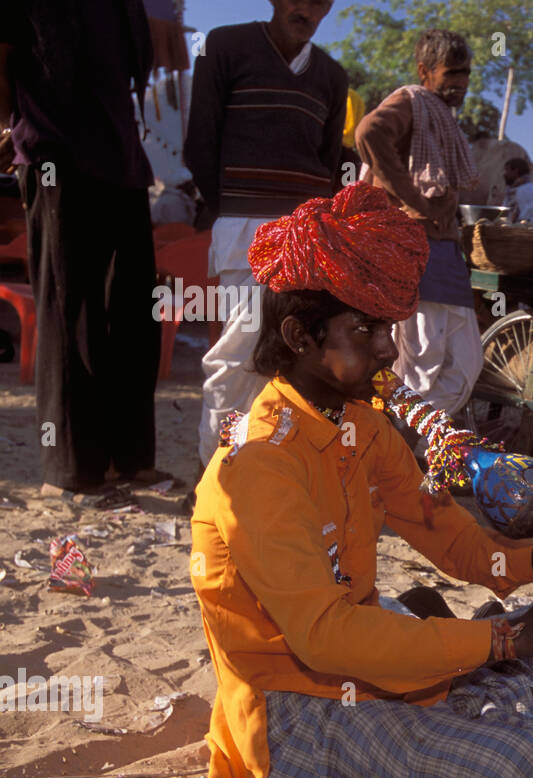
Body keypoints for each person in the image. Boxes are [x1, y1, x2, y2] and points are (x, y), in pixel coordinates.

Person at [190, 182, 533, 778]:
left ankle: (472, 697)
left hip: (362, 660)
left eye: (389, 328)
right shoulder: (258, 469)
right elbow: (328, 639)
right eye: (367, 331)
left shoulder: (360, 425)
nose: (391, 350)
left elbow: (452, 538)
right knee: (517, 763)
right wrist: (510, 636)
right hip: (295, 712)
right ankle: (481, 716)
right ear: (302, 337)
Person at [1, 0, 165, 497]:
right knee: (70, 307)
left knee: (134, 312)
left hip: (124, 162)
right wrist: (11, 129)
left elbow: (131, 73)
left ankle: (130, 459)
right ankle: (71, 472)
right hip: (53, 153)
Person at [185, 0, 348, 466]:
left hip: (305, 238)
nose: (308, 8)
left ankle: (263, 477)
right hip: (244, 231)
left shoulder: (332, 77)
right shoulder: (226, 47)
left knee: (289, 361)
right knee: (238, 357)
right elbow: (200, 142)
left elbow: (328, 162)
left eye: (321, 1)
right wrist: (234, 211)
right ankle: (213, 476)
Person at [355, 28, 483, 416]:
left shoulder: (440, 114)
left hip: (442, 253)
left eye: (466, 75)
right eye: (452, 74)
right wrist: (414, 200)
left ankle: (405, 445)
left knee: (465, 365)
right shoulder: (411, 99)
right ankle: (399, 455)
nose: (460, 83)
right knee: (421, 369)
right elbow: (368, 132)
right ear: (425, 71)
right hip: (414, 250)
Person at [504, 156, 533, 222]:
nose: (505, 174)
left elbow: (519, 217)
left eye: (507, 170)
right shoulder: (521, 188)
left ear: (515, 171)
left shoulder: (524, 190)